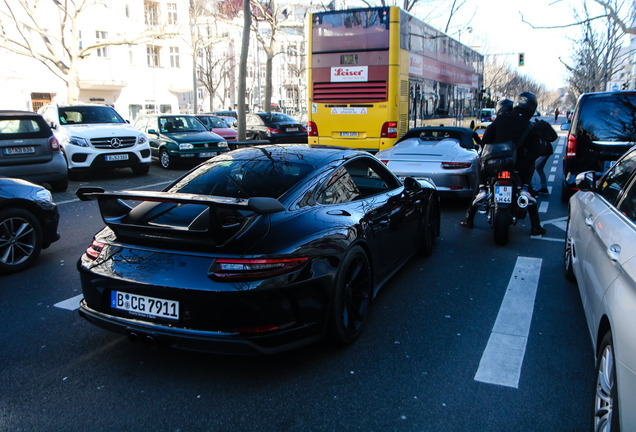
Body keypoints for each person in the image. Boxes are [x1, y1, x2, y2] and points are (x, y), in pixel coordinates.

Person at [460, 92, 547, 236]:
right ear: (532, 107)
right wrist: (523, 161)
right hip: (517, 167)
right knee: (527, 192)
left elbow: (486, 141)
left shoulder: (501, 120)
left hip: (494, 165)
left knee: (480, 166)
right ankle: (535, 225)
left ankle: (470, 216)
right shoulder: (530, 126)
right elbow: (535, 151)